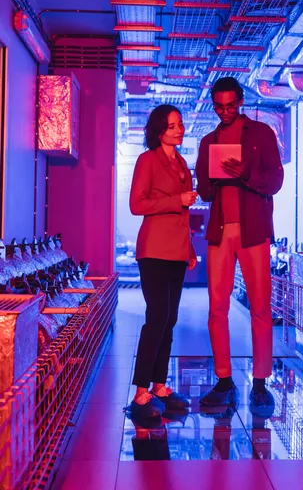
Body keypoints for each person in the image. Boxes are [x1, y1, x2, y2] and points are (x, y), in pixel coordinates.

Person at [195, 77, 283, 414]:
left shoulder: (262, 135)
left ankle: (260, 384)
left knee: (260, 307)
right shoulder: (208, 141)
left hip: (253, 230)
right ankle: (224, 380)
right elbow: (203, 190)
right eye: (219, 106)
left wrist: (245, 173)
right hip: (219, 231)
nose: (226, 111)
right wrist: (211, 179)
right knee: (216, 307)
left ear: (241, 100)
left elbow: (275, 181)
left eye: (231, 105)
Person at [129, 105, 198, 420]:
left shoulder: (182, 163)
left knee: (170, 319)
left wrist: (191, 250)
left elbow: (183, 216)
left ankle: (159, 384)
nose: (178, 130)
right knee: (156, 317)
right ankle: (140, 389)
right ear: (159, 131)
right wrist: (176, 200)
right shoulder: (148, 160)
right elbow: (136, 204)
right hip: (154, 250)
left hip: (177, 252)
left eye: (180, 125)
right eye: (172, 126)